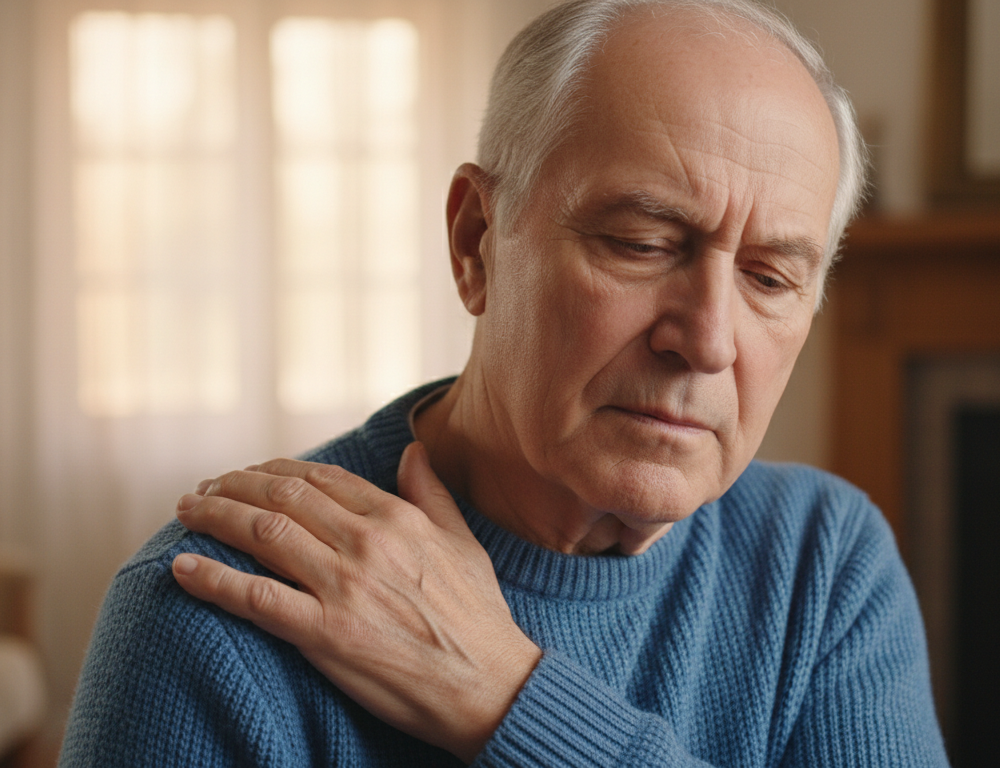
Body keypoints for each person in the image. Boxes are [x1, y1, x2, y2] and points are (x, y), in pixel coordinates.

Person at [60, 0, 950, 765]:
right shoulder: (217, 616)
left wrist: (506, 696)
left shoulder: (823, 564)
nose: (709, 341)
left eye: (770, 278)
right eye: (640, 243)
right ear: (476, 242)